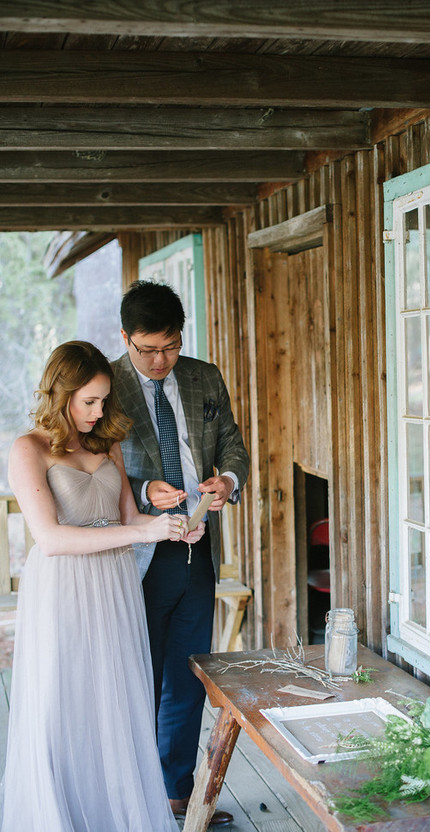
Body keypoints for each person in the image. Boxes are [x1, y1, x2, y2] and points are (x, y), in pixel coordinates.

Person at [2, 340, 206, 832]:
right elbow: (49, 538)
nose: (98, 411)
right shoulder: (27, 449)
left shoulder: (107, 442)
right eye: (88, 401)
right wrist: (145, 531)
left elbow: (129, 517)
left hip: (115, 583)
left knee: (114, 701)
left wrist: (175, 523)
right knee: (63, 699)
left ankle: (114, 812)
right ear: (60, 394)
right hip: (63, 588)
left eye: (103, 400)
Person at [111, 281, 249, 824]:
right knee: (136, 676)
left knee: (189, 675)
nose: (161, 359)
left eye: (170, 345)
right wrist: (145, 492)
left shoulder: (203, 376)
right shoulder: (105, 383)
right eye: (147, 349)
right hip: (137, 553)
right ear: (125, 338)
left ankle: (177, 793)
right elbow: (94, 463)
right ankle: (132, 793)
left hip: (197, 549)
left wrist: (228, 480)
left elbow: (233, 443)